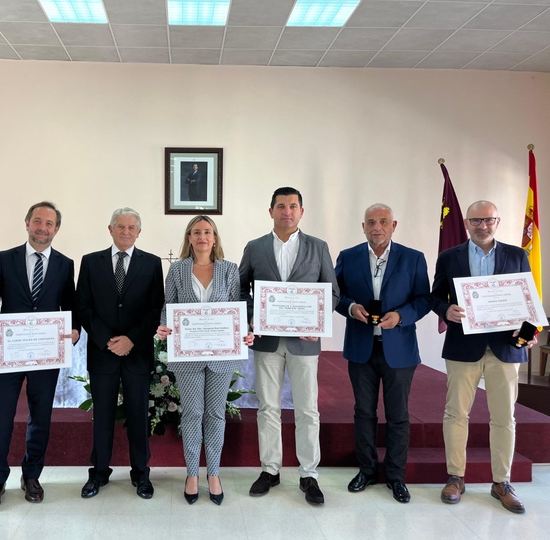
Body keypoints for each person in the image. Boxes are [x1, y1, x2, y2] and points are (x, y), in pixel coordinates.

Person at [431, 200, 536, 514]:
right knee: (455, 414)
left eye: (488, 220)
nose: (482, 225)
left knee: (504, 417)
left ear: (497, 221)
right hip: (463, 347)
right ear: (466, 223)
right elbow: (435, 296)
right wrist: (445, 309)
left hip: (505, 349)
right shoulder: (450, 257)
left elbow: (527, 299)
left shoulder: (517, 255)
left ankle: (501, 482)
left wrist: (528, 334)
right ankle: (456, 477)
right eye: (475, 220)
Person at [239, 186, 339, 505]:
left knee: (308, 409)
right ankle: (270, 469)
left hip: (304, 343)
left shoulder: (318, 247)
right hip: (266, 341)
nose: (287, 211)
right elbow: (241, 290)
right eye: (280, 206)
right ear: (271, 211)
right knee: (268, 407)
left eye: (293, 206)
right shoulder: (255, 248)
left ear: (301, 211)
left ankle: (308, 474)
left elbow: (332, 293)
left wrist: (317, 322)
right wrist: (253, 318)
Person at [0, 201, 80, 511]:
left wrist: (74, 330)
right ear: (26, 223)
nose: (42, 228)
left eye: (49, 223)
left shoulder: (64, 263)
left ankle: (31, 475)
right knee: (0, 419)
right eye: (37, 221)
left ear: (57, 229)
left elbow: (70, 305)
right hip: (8, 353)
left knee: (40, 417)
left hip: (46, 354)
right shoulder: (5, 258)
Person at [335, 203, 432, 503]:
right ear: (362, 227)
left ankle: (395, 476)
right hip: (361, 347)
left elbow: (424, 299)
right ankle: (366, 470)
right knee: (363, 412)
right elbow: (336, 295)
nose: (377, 227)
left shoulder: (413, 258)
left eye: (383, 221)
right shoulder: (348, 257)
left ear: (394, 225)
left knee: (398, 415)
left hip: (399, 350)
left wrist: (401, 317)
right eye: (371, 222)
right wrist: (351, 308)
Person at [156, 215, 254, 505]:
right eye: (196, 232)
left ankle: (213, 472)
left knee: (214, 413)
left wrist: (245, 333)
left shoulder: (229, 270)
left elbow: (237, 308)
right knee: (192, 413)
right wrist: (163, 327)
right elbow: (168, 306)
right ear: (189, 238)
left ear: (215, 238)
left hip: (221, 357)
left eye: (207, 231)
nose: (202, 236)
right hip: (187, 356)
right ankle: (191, 473)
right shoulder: (177, 270)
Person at [76, 208, 164, 499]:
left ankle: (141, 474)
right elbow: (84, 307)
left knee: (139, 416)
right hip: (103, 352)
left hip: (136, 353)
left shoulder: (151, 264)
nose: (126, 231)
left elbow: (155, 309)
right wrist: (107, 340)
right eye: (120, 226)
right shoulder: (91, 262)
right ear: (110, 229)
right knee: (102, 416)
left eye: (131, 227)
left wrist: (132, 340)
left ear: (139, 232)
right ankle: (99, 473)